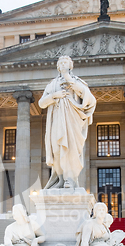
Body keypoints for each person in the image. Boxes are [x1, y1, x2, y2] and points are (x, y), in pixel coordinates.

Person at [38, 56, 96, 189]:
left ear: (71, 66)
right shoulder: (52, 84)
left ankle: (70, 180)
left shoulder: (77, 81)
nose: (63, 64)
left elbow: (90, 99)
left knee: (70, 149)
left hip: (72, 120)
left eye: (66, 63)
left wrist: (69, 80)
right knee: (57, 149)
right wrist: (54, 96)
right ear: (58, 67)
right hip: (57, 120)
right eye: (61, 63)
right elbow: (41, 103)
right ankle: (60, 180)